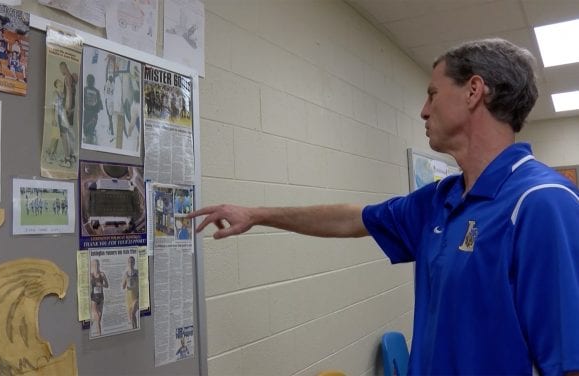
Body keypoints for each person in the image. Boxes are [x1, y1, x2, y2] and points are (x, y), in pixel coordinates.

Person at [188, 38, 579, 375]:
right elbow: (351, 219)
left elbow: (567, 360)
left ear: (474, 91)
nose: (424, 111)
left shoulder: (541, 202)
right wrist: (257, 215)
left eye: (432, 94)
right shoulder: (440, 200)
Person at [82, 73, 103, 144]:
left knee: (86, 132)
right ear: (94, 82)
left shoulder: (84, 89)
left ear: (87, 81)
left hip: (86, 114)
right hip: (94, 115)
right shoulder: (97, 91)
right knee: (90, 132)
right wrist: (96, 109)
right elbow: (100, 106)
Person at [90, 259, 108, 336]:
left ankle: (90, 323)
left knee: (99, 317)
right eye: (94, 265)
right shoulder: (90, 275)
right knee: (97, 316)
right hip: (93, 298)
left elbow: (107, 285)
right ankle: (100, 335)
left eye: (97, 264)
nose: (96, 266)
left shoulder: (102, 274)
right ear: (92, 266)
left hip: (101, 298)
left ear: (99, 265)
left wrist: (101, 285)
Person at [121, 256, 139, 329]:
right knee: (131, 317)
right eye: (129, 262)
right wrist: (126, 282)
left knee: (132, 313)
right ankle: (135, 328)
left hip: (136, 296)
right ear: (127, 263)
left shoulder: (137, 272)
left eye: (132, 262)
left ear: (134, 263)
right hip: (129, 297)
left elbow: (142, 284)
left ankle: (135, 328)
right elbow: (123, 286)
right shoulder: (126, 274)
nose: (130, 263)